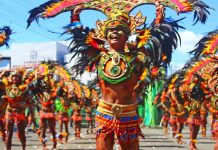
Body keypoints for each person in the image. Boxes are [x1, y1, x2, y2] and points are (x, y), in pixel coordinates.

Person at [27, 1, 211, 149]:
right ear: (105, 35)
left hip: (128, 115)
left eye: (119, 29)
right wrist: (75, 13)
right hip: (104, 114)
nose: (115, 32)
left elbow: (158, 36)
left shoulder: (138, 56)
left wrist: (159, 12)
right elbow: (78, 35)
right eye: (111, 30)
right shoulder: (97, 55)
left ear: (127, 34)